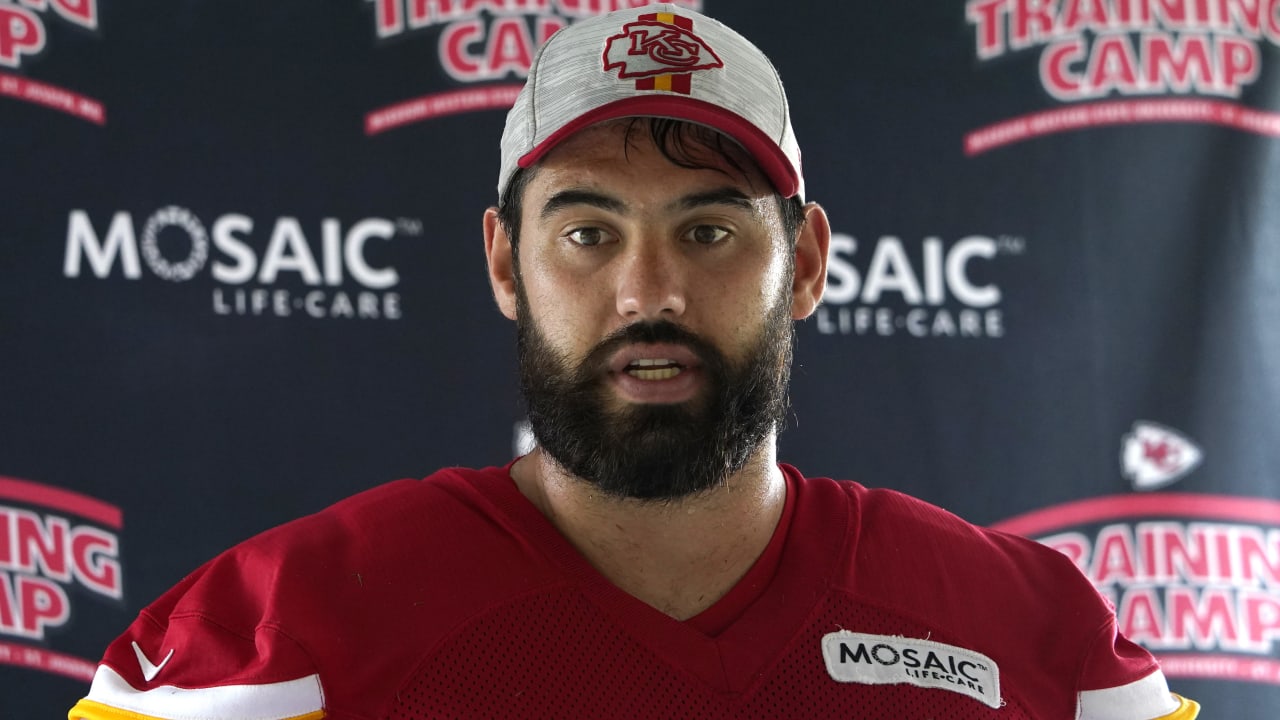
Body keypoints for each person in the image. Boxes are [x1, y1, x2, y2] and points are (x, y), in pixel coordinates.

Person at [70, 5, 1199, 719]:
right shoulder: (275, 637)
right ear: (505, 264)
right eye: (586, 231)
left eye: (708, 232)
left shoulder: (1037, 645)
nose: (647, 293)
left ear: (803, 264)